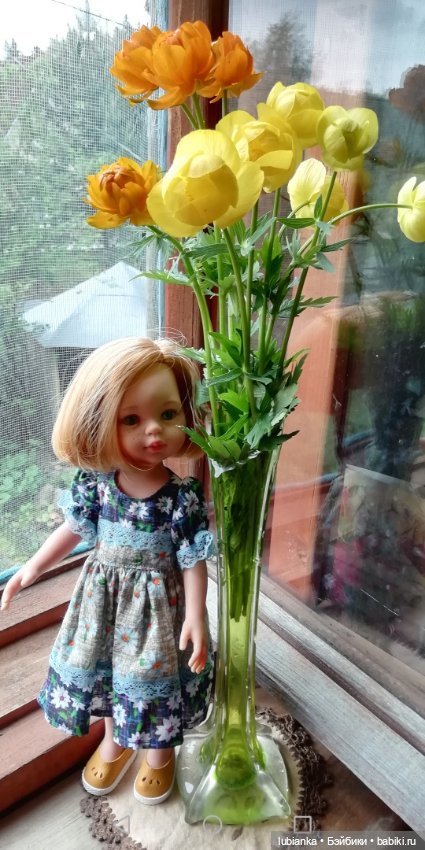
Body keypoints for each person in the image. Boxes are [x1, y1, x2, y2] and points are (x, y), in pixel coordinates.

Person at [1, 337, 215, 805]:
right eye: (131, 420)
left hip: (159, 612)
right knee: (111, 675)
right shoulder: (97, 487)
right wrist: (32, 567)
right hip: (106, 606)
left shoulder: (180, 497)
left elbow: (192, 557)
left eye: (168, 414)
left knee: (153, 682)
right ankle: (115, 742)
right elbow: (72, 529)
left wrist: (196, 615)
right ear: (99, 423)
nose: (154, 430)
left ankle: (159, 753)